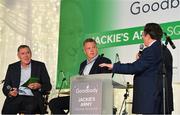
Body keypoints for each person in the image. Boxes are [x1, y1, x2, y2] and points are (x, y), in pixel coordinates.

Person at [100, 23, 166, 114]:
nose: (142, 37)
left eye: (143, 34)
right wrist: (141, 60)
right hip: (154, 96)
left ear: (148, 35)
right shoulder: (159, 48)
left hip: (150, 96)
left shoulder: (151, 50)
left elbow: (133, 68)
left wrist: (113, 66)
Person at [49, 38, 111, 114]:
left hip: (94, 97)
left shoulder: (104, 61)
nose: (92, 50)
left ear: (97, 48)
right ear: (84, 51)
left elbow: (104, 81)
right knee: (54, 103)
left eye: (93, 47)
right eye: (88, 48)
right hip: (80, 96)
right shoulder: (83, 64)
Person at [2, 45, 52, 114]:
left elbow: (48, 85)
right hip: (16, 97)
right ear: (18, 56)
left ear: (31, 54)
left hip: (33, 97)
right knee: (7, 110)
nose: (26, 56)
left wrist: (39, 86)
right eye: (23, 53)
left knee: (29, 108)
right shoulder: (12, 67)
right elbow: (6, 86)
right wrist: (10, 92)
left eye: (28, 53)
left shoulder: (40, 66)